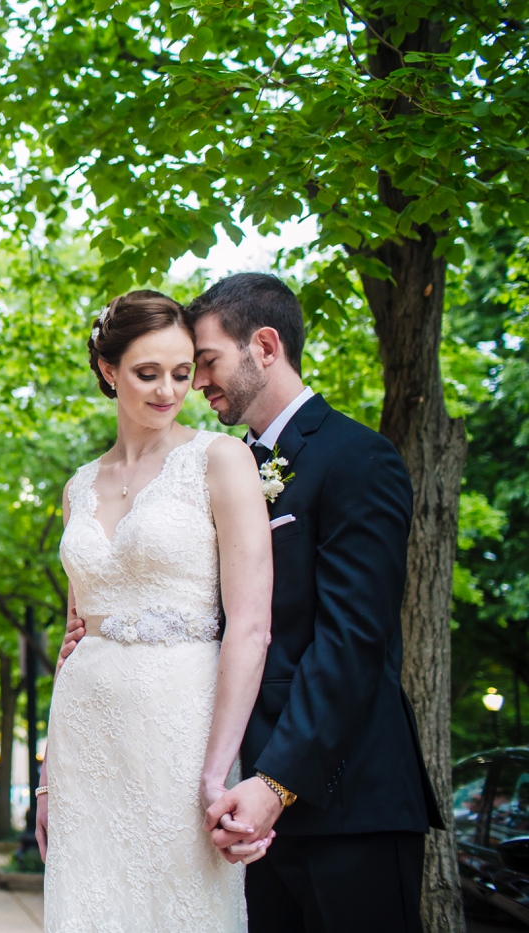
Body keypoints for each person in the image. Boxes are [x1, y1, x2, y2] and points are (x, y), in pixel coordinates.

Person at [190, 273, 443, 933]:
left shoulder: (359, 458)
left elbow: (353, 641)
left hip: (346, 804)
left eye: (208, 360)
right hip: (247, 813)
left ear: (265, 346)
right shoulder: (221, 473)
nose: (197, 382)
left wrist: (275, 782)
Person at [36, 290, 274, 933]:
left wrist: (217, 768)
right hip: (86, 734)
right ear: (109, 371)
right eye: (147, 374)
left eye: (181, 371)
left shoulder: (221, 460)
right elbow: (73, 636)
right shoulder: (78, 486)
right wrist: (47, 780)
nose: (170, 390)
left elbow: (250, 628)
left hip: (182, 725)